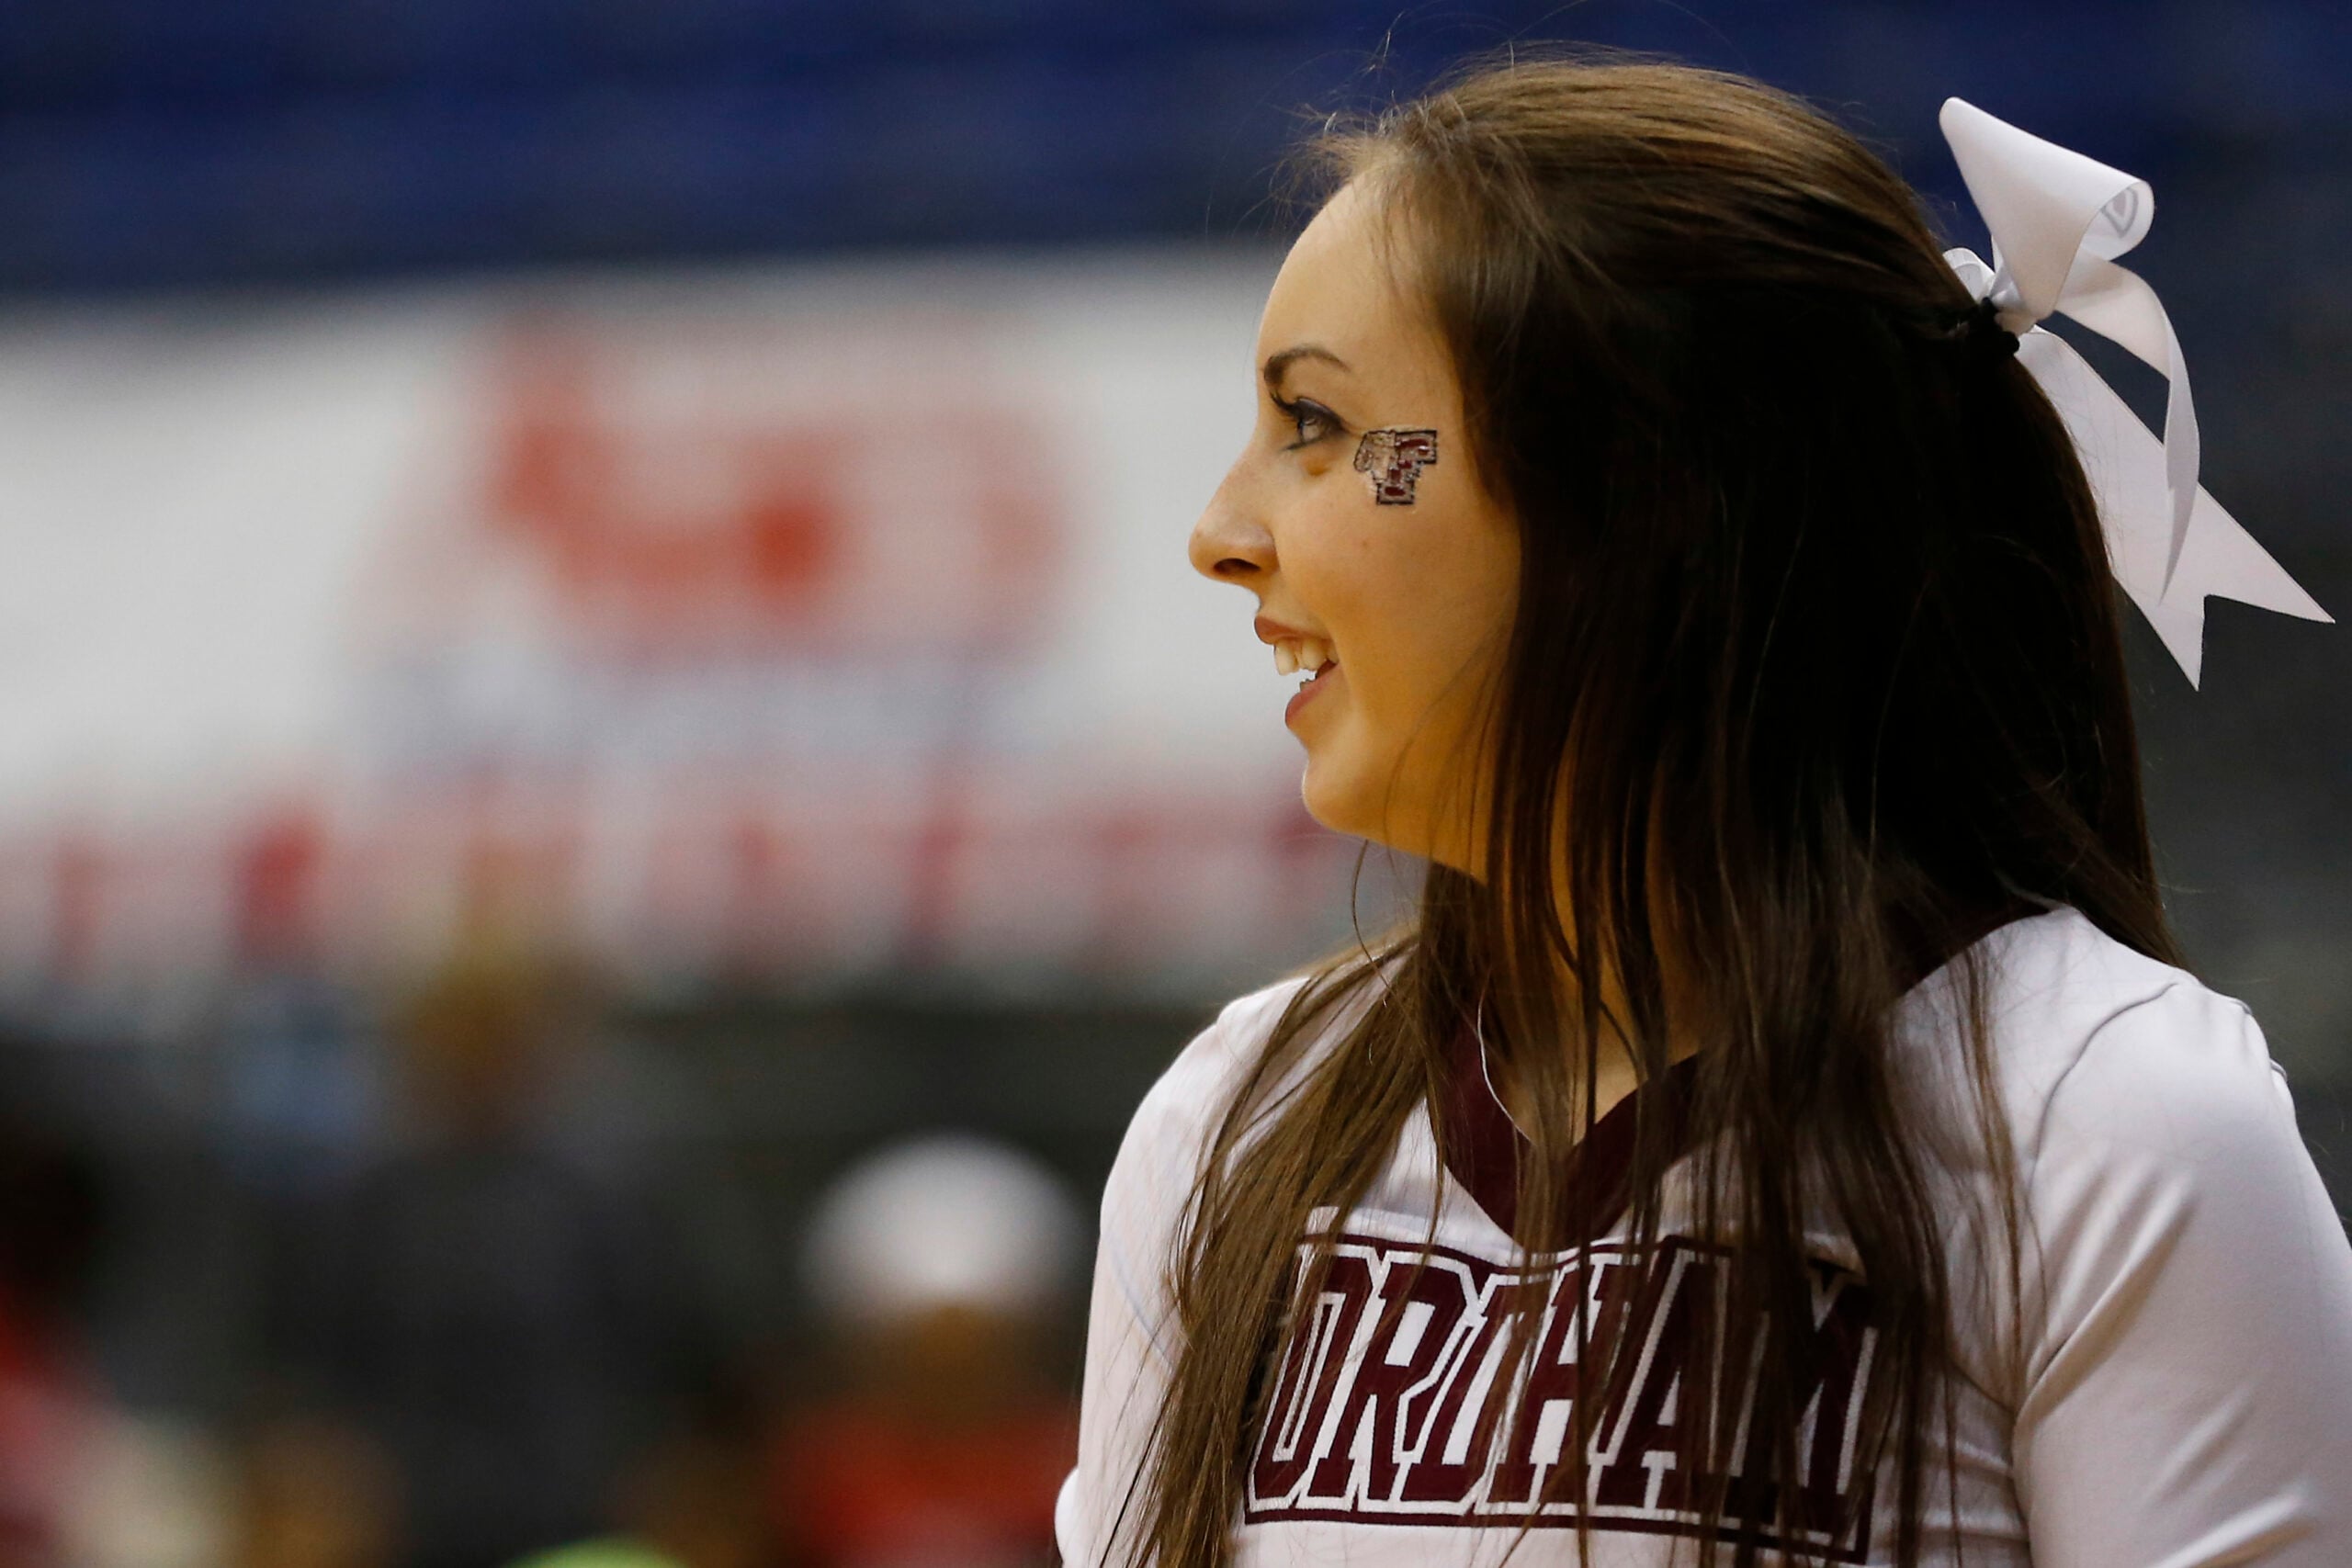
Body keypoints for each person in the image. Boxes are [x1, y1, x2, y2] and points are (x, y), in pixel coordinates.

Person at [1055, 52, 2352, 1568]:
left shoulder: (2106, 1119)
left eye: (1322, 427)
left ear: (1641, 500)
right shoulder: (1235, 1122)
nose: (1223, 534)